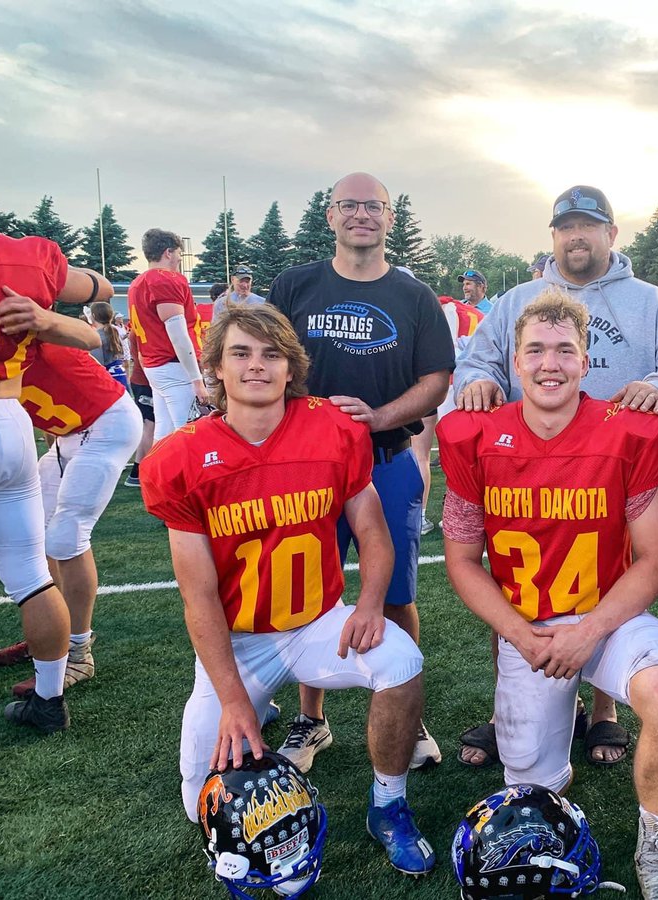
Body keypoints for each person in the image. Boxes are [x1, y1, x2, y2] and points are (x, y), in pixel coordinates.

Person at [140, 303, 436, 876]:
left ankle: (388, 805)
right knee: (200, 801)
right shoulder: (179, 458)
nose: (257, 366)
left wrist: (371, 603)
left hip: (317, 624)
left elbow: (372, 530)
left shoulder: (331, 429)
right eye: (241, 354)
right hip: (238, 639)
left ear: (291, 368)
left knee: (401, 660)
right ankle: (253, 713)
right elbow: (198, 597)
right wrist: (231, 700)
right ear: (216, 371)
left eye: (272, 354)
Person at [441, 290, 658, 899]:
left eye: (564, 350)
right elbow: (462, 561)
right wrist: (519, 632)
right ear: (513, 359)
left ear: (586, 362)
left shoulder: (625, 433)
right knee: (534, 786)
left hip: (605, 618)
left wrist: (588, 632)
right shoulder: (472, 436)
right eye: (535, 350)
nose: (549, 363)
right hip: (527, 626)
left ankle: (657, 854)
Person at [453, 184, 658, 769]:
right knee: (517, 576)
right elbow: (479, 356)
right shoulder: (518, 299)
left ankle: (603, 710)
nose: (576, 236)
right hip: (525, 464)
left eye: (588, 226)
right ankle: (512, 706)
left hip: (618, 466)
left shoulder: (650, 303)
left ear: (611, 235)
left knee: (612, 568)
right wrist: (481, 381)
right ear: (553, 236)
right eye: (566, 227)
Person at [268, 172, 453, 773]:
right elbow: (267, 360)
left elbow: (435, 381)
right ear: (330, 215)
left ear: (390, 218)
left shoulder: (415, 295)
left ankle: (406, 709)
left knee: (396, 593)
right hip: (306, 471)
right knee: (308, 593)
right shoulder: (295, 285)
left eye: (373, 207)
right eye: (349, 205)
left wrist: (376, 418)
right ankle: (311, 719)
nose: (361, 216)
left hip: (387, 460)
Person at [0, 180, 105, 771]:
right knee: (30, 572)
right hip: (11, 421)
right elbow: (98, 288)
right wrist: (44, 312)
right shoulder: (28, 254)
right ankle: (50, 700)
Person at [0, 340, 143, 697]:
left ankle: (78, 653)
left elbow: (82, 331)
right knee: (34, 531)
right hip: (70, 433)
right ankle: (50, 633)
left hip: (107, 424)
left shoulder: (31, 330)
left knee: (66, 536)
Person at [410, 293, 485, 536]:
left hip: (435, 383)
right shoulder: (475, 313)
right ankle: (461, 514)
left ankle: (420, 517)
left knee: (420, 454)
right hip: (465, 384)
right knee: (465, 457)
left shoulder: (434, 309)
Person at [127, 229, 207, 440]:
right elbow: (178, 333)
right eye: (178, 253)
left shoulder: (138, 283)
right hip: (173, 365)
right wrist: (196, 379)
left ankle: (155, 473)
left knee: (164, 432)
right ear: (168, 252)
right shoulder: (165, 280)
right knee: (187, 432)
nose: (180, 258)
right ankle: (181, 474)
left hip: (157, 365)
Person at [122, 326, 155, 488]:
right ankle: (139, 471)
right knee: (150, 426)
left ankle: (139, 470)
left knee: (148, 426)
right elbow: (144, 358)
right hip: (145, 381)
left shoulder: (137, 329)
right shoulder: (143, 330)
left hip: (141, 379)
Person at [88, 300, 129, 388]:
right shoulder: (114, 332)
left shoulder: (97, 336)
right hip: (120, 375)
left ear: (93, 316)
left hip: (109, 380)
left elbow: (97, 365)